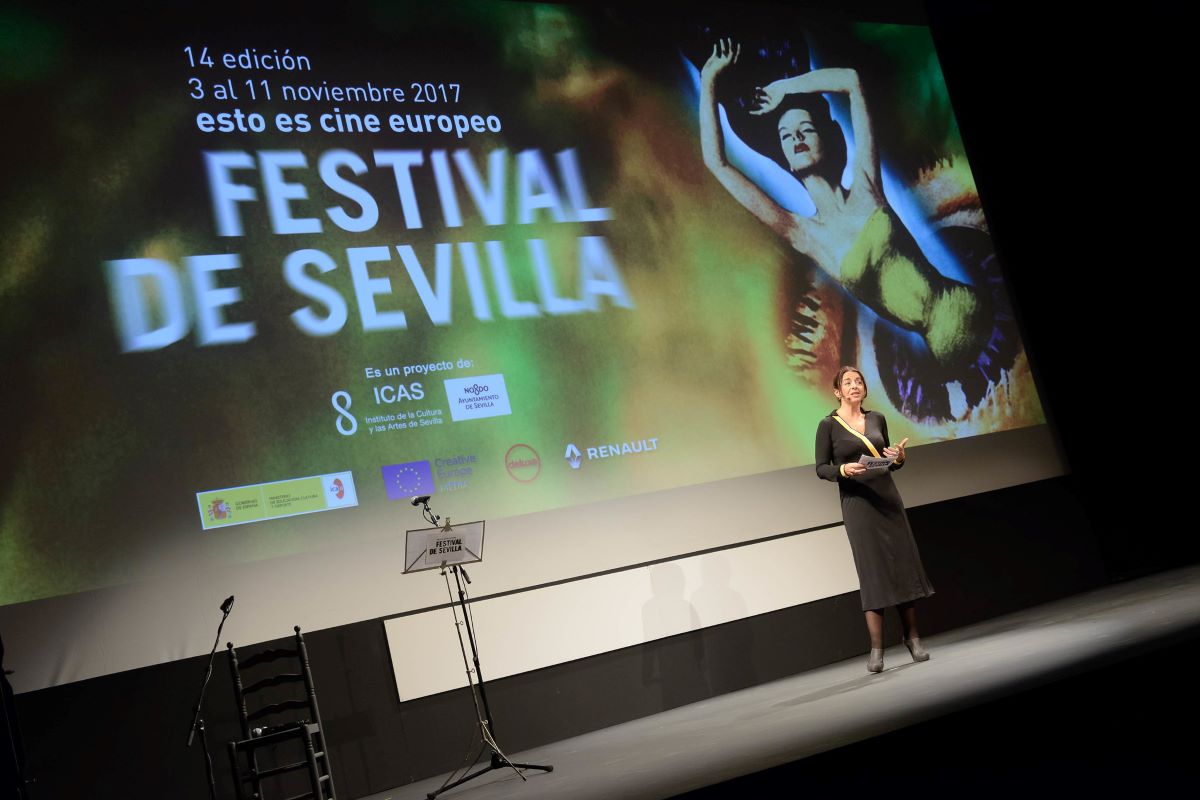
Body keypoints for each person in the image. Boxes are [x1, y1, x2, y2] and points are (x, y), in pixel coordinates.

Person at [699, 38, 991, 376]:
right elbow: (717, 163)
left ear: (827, 137)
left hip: (970, 305)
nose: (796, 138)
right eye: (786, 135)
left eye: (805, 129)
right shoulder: (804, 233)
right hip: (947, 352)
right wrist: (709, 80)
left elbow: (851, 81)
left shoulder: (866, 184)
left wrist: (784, 89)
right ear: (785, 159)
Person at [814, 366, 934, 672]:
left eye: (859, 381)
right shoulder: (828, 425)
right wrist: (842, 470)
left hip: (887, 499)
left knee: (902, 565)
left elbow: (889, 461)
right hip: (858, 504)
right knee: (872, 571)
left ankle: (913, 637)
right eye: (848, 382)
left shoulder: (877, 418)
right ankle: (877, 648)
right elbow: (821, 468)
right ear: (838, 391)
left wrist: (899, 458)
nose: (855, 385)